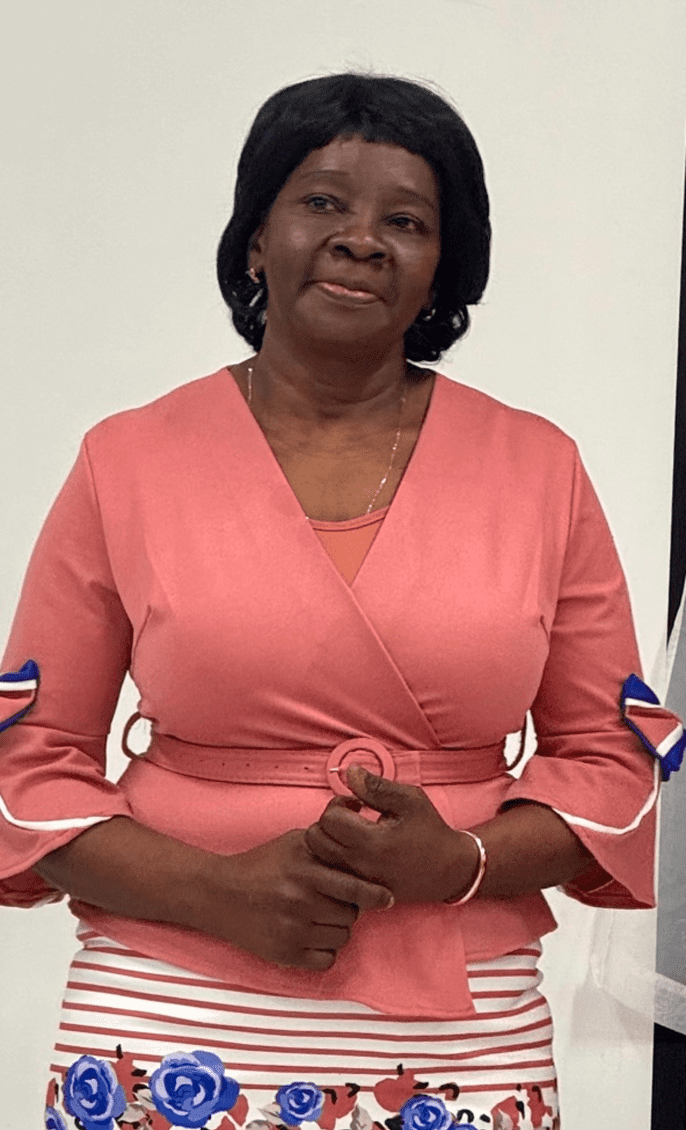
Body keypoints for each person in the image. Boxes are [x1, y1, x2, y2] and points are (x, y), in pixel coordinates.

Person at [0, 72, 675, 1130]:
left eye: (406, 220)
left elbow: (611, 760)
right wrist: (214, 890)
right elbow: (27, 763)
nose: (362, 240)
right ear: (254, 239)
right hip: (167, 997)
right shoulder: (123, 459)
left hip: (459, 1012)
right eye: (322, 201)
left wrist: (461, 863)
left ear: (443, 266)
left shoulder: (540, 467)